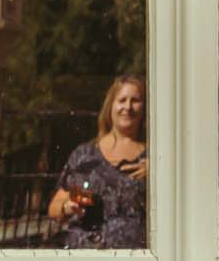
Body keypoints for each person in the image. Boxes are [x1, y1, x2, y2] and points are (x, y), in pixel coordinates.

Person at [47, 74, 148, 249]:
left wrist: (160, 170)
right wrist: (66, 207)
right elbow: (54, 207)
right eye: (122, 100)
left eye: (135, 100)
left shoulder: (156, 156)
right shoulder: (84, 155)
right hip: (86, 259)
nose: (128, 107)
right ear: (111, 106)